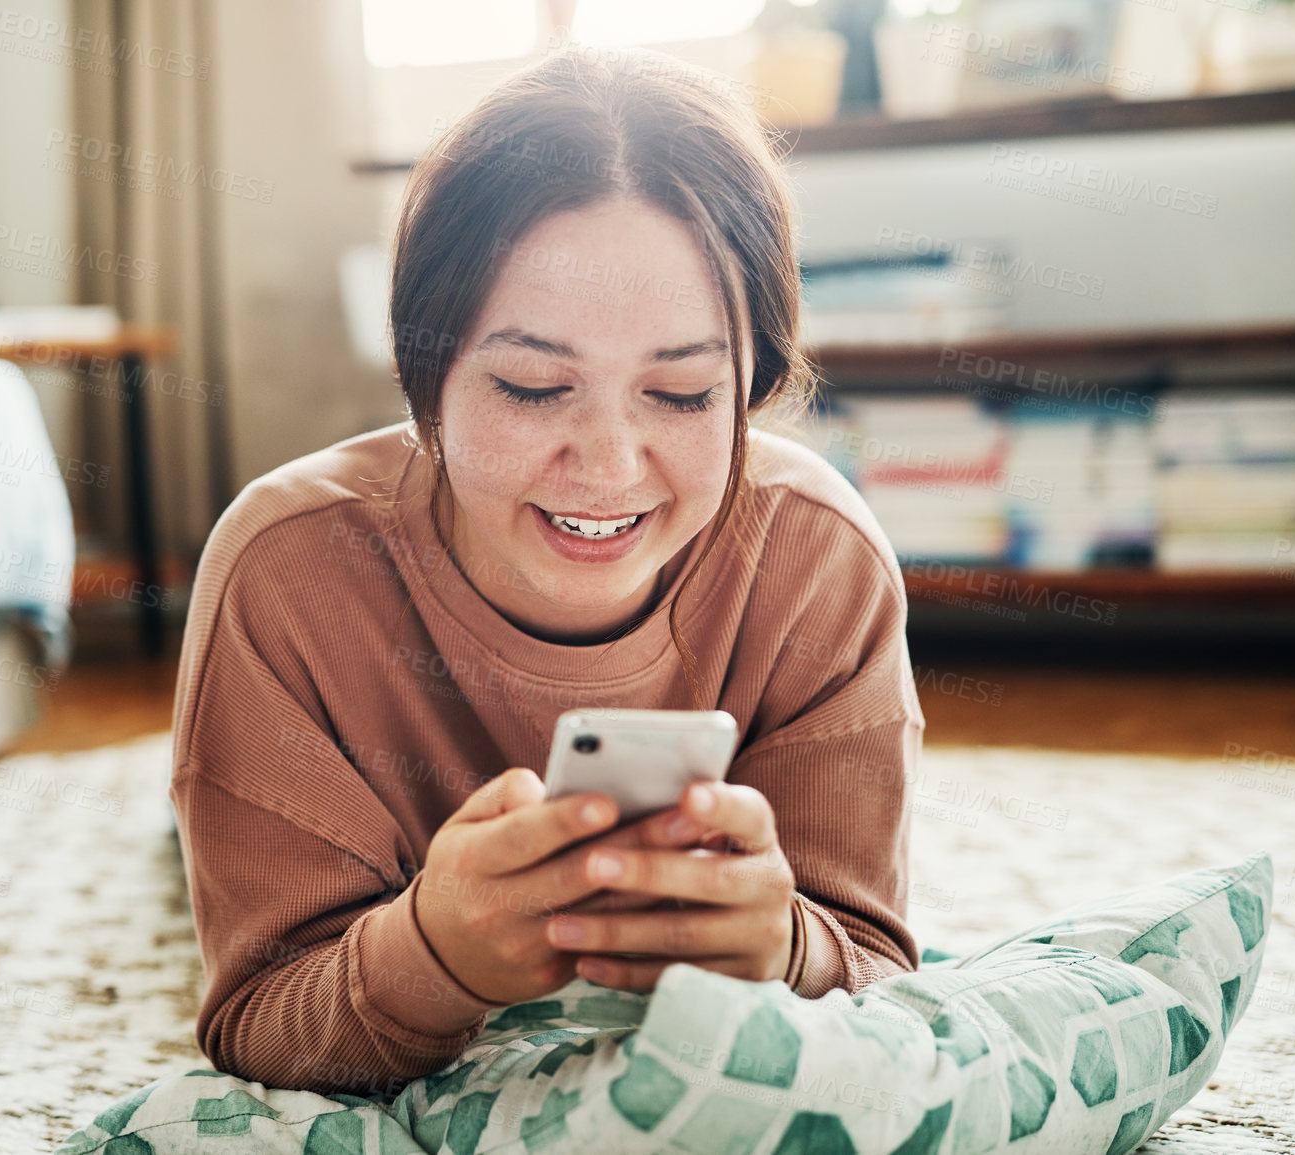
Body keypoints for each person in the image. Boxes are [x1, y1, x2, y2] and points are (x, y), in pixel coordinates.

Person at [169, 45, 923, 1099]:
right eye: (530, 387)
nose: (610, 468)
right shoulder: (289, 569)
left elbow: (880, 971)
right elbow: (259, 1016)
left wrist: (785, 953)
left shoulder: (815, 563)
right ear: (422, 373)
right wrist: (431, 953)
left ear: (752, 381)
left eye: (684, 394)